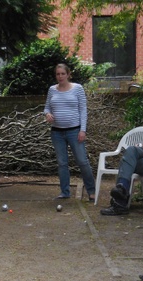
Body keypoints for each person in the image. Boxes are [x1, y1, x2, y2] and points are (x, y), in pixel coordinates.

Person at [44, 63, 96, 201]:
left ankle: (91, 190)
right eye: (58, 74)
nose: (60, 76)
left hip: (74, 131)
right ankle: (65, 192)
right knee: (62, 163)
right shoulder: (52, 90)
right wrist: (48, 114)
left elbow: (83, 110)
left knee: (82, 161)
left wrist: (82, 130)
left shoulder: (77, 89)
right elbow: (47, 108)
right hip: (57, 132)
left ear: (68, 74)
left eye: (62, 74)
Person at [100, 122, 143, 215]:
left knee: (126, 162)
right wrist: (142, 146)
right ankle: (122, 188)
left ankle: (120, 203)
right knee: (131, 150)